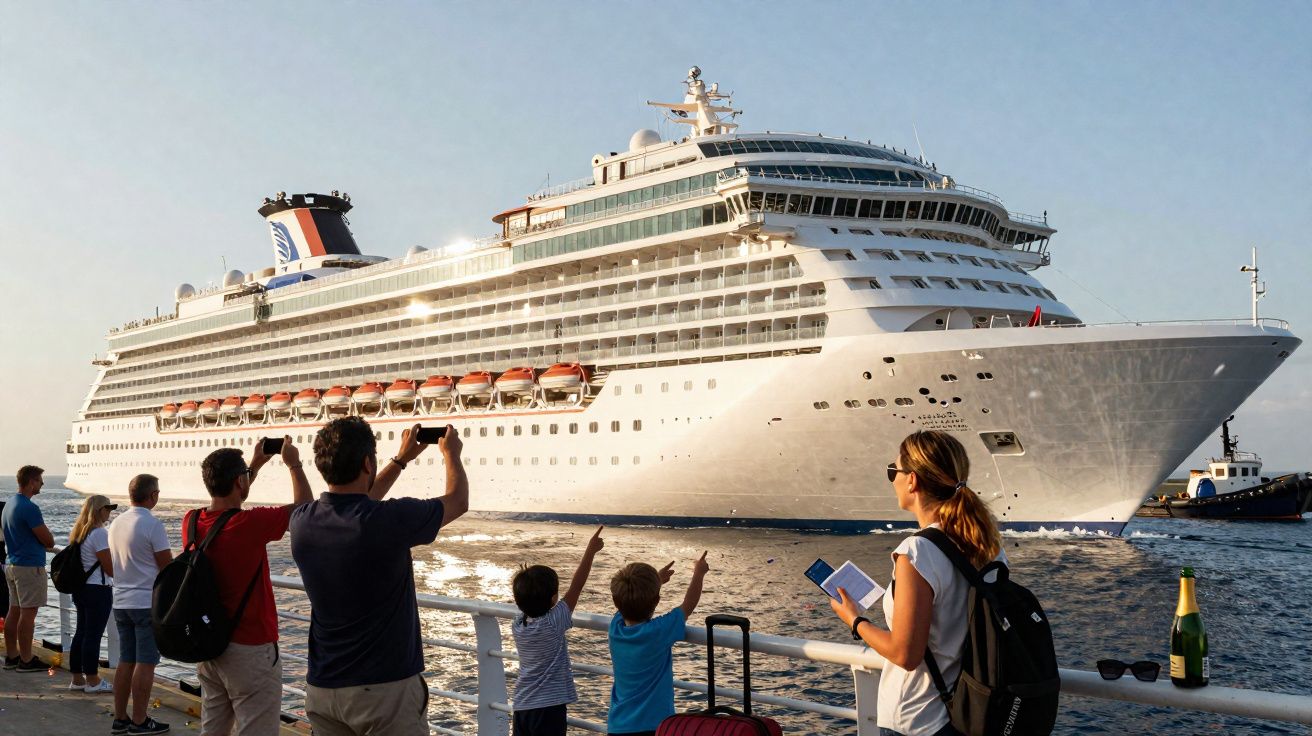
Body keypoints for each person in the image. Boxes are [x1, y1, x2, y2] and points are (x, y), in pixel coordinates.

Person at [290, 419, 467, 736]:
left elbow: (358, 502)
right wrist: (451, 454)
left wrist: (400, 461)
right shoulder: (388, 520)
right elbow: (457, 501)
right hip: (385, 691)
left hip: (324, 688)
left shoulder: (302, 521)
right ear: (367, 463)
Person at [828, 430, 1004, 736]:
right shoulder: (988, 546)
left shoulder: (917, 551)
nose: (892, 479)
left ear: (912, 481)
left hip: (918, 719)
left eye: (892, 471)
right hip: (971, 713)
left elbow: (906, 655)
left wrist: (854, 620)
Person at [187, 437, 311, 735]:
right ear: (239, 482)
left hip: (210, 644)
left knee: (213, 729)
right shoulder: (250, 523)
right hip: (251, 649)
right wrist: (293, 463)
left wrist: (252, 466)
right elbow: (305, 508)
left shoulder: (192, 521)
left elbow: (230, 500)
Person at [510, 526, 605, 736]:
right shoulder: (553, 623)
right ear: (554, 599)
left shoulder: (518, 625)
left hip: (522, 705)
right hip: (549, 708)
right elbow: (577, 586)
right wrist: (590, 551)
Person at [606, 551, 710, 736]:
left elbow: (627, 600)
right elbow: (689, 604)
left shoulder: (615, 628)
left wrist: (656, 582)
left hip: (618, 726)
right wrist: (699, 572)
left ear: (615, 602)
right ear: (657, 601)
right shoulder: (657, 632)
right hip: (655, 726)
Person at [108, 474, 174, 735]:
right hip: (145, 601)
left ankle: (121, 717)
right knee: (146, 662)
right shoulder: (152, 524)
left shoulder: (116, 523)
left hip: (121, 601)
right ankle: (139, 720)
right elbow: (166, 566)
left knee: (126, 660)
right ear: (153, 495)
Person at [2, 464, 55, 672]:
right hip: (29, 567)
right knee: (28, 614)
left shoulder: (9, 505)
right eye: (40, 480)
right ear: (32, 481)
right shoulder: (29, 507)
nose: (42, 484)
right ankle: (26, 659)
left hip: (12, 563)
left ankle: (12, 655)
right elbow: (48, 540)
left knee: (13, 611)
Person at [67, 494, 118, 693]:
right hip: (97, 589)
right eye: (108, 508)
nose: (110, 512)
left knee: (81, 633)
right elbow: (110, 568)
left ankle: (77, 678)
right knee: (93, 635)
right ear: (99, 510)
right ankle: (93, 680)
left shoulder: (80, 532)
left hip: (81, 588)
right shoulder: (99, 534)